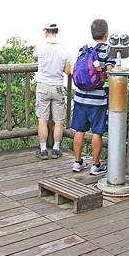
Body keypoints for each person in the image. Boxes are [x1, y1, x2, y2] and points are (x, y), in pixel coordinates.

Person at [71, 19, 116, 175]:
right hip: (98, 100)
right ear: (106, 33)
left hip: (80, 97)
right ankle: (95, 165)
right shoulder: (108, 50)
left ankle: (77, 162)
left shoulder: (83, 49)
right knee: (97, 132)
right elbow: (110, 73)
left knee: (79, 130)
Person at [33, 22, 72, 159]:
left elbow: (35, 58)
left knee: (42, 120)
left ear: (47, 32)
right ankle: (56, 149)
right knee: (59, 121)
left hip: (43, 86)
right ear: (56, 31)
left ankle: (43, 150)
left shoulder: (40, 46)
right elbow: (67, 71)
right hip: (58, 86)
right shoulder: (64, 49)